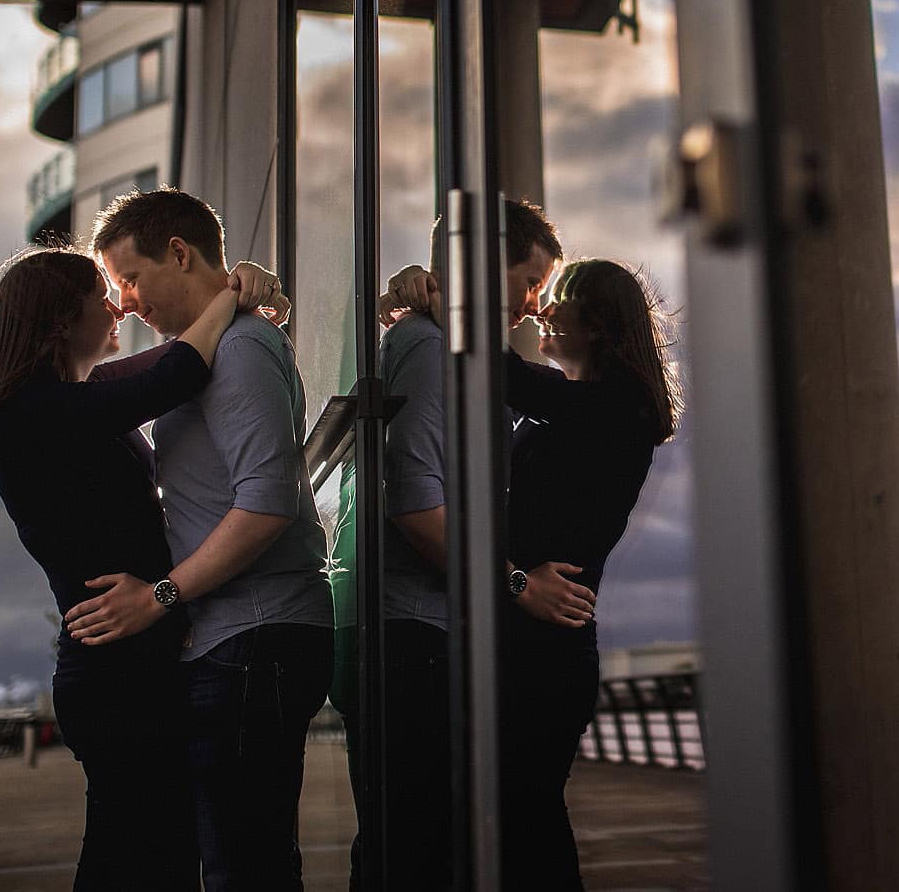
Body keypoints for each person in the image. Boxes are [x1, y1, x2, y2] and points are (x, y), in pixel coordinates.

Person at [0, 246, 282, 890]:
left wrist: (242, 291)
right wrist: (228, 296)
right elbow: (175, 375)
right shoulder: (31, 410)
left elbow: (174, 357)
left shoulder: (73, 398)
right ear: (61, 320)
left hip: (128, 663)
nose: (117, 308)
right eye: (100, 298)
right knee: (137, 857)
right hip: (113, 672)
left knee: (148, 853)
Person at [383, 252, 678, 889]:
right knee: (521, 817)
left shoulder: (613, 407)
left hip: (549, 644)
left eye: (559, 294)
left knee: (527, 818)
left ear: (596, 324)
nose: (543, 307)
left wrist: (445, 306)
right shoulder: (581, 405)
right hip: (536, 639)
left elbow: (502, 373)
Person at [67, 189, 332, 891]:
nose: (125, 302)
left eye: (131, 278)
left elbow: (268, 504)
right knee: (241, 860)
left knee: (245, 868)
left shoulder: (239, 349)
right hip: (237, 638)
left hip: (256, 640)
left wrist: (159, 597)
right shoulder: (211, 347)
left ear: (179, 253)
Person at [343, 200, 593, 888]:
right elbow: (414, 504)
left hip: (424, 633)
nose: (535, 304)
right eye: (531, 280)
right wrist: (517, 582)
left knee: (420, 844)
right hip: (416, 640)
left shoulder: (452, 347)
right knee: (414, 849)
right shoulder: (430, 349)